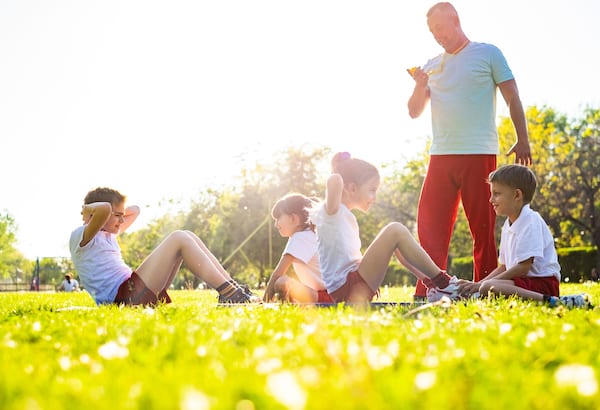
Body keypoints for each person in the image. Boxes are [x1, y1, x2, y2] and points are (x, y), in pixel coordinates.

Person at [407, 2, 532, 300]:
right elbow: (414, 112)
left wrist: (522, 138)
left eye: (440, 27)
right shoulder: (431, 64)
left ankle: (484, 289)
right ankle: (428, 290)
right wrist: (419, 86)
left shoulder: (488, 53)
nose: (437, 35)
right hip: (440, 155)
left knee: (483, 227)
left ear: (455, 20)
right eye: (432, 31)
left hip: (479, 153)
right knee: (429, 225)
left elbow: (512, 96)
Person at [310, 152, 459, 304]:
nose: (374, 198)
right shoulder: (331, 213)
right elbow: (334, 180)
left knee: (394, 241)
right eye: (372, 190)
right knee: (395, 230)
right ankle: (445, 283)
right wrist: (338, 166)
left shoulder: (344, 216)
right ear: (352, 188)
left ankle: (434, 286)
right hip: (347, 288)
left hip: (351, 285)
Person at [69, 187, 259, 306]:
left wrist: (115, 211)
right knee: (178, 238)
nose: (121, 220)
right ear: (94, 213)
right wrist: (88, 210)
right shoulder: (82, 235)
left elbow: (135, 210)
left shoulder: (108, 233)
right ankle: (230, 294)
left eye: (121, 215)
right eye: (116, 215)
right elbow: (104, 211)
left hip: (133, 291)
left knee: (187, 236)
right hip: (123, 297)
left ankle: (234, 290)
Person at [457, 165, 592, 308]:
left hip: (543, 284)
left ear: (517, 195)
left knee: (487, 288)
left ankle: (555, 302)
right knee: (486, 287)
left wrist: (482, 285)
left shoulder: (530, 221)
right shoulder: (507, 226)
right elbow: (504, 267)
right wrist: (477, 284)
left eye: (496, 194)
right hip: (523, 283)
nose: (491, 200)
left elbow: (523, 268)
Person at [263, 193, 333, 304]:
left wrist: (263, 302)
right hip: (327, 294)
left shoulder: (301, 237)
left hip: (327, 297)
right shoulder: (309, 235)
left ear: (293, 219)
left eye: (278, 218)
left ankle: (288, 303)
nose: (276, 224)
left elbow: (278, 274)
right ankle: (294, 303)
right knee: (285, 283)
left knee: (281, 282)